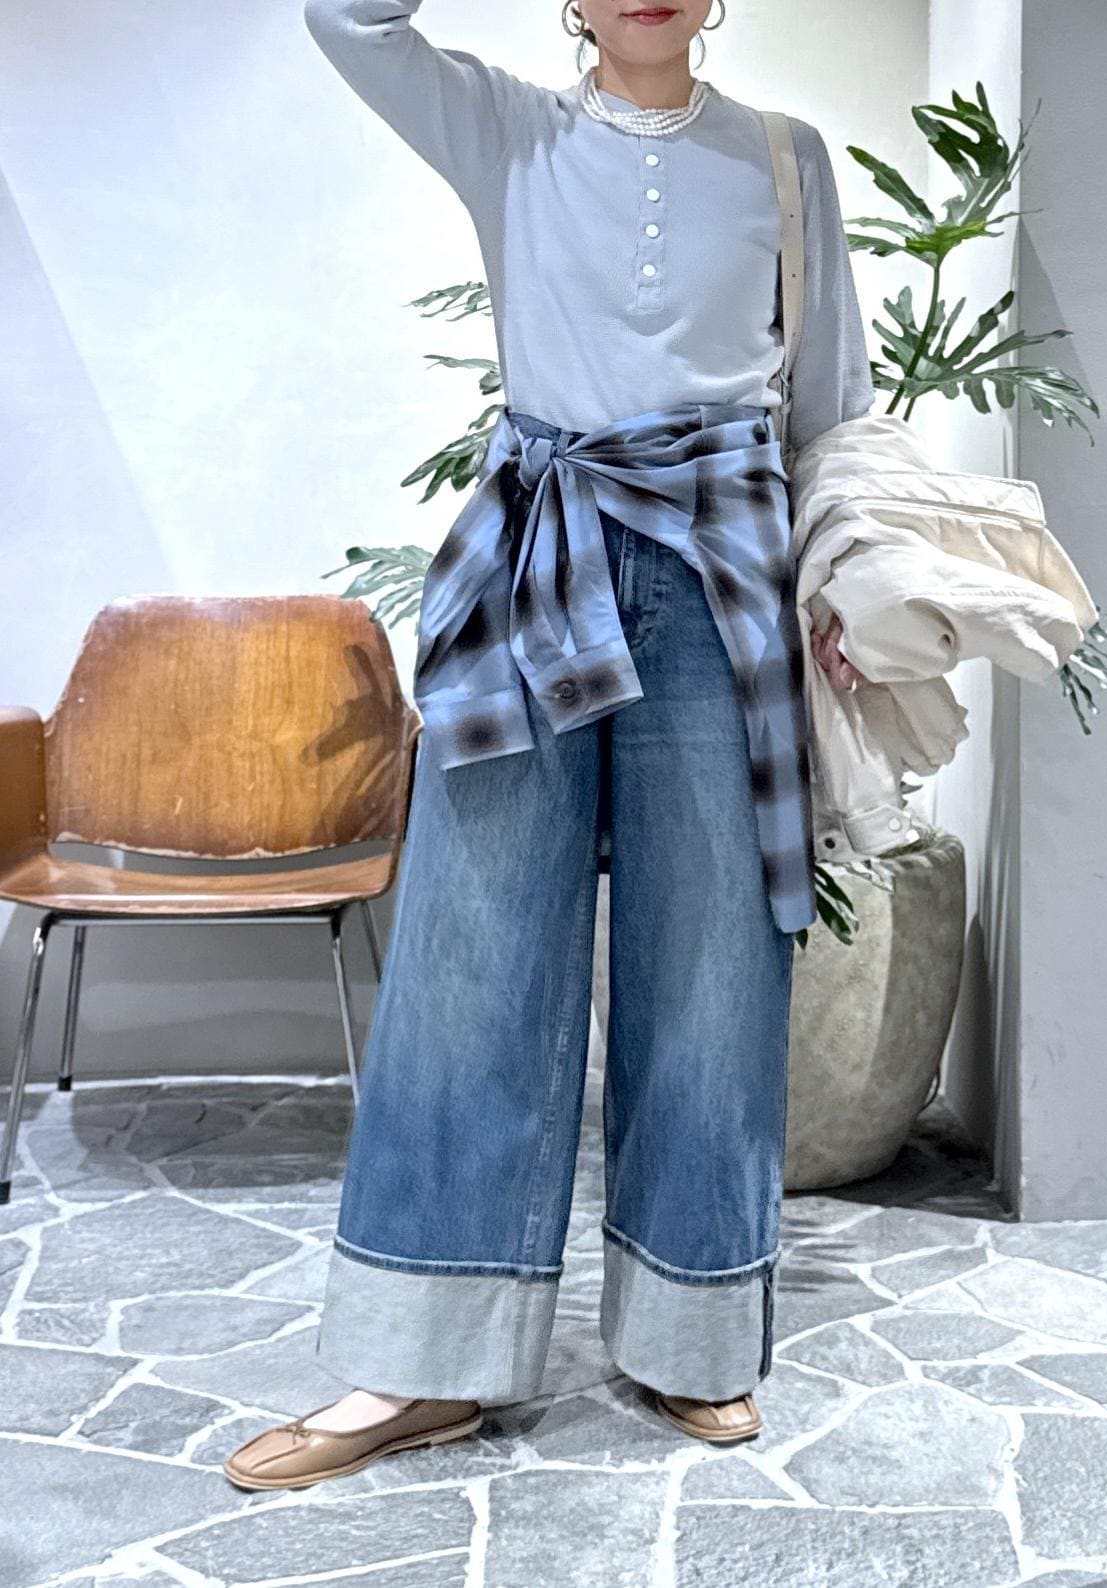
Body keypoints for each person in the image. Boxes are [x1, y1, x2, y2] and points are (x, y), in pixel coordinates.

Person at [224, 0, 870, 1492]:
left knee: (712, 957)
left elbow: (831, 405)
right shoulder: (506, 129)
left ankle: (693, 1335)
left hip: (723, 576)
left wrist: (839, 586)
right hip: (539, 555)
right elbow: (347, 20)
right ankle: (422, 1362)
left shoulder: (786, 159)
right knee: (471, 949)